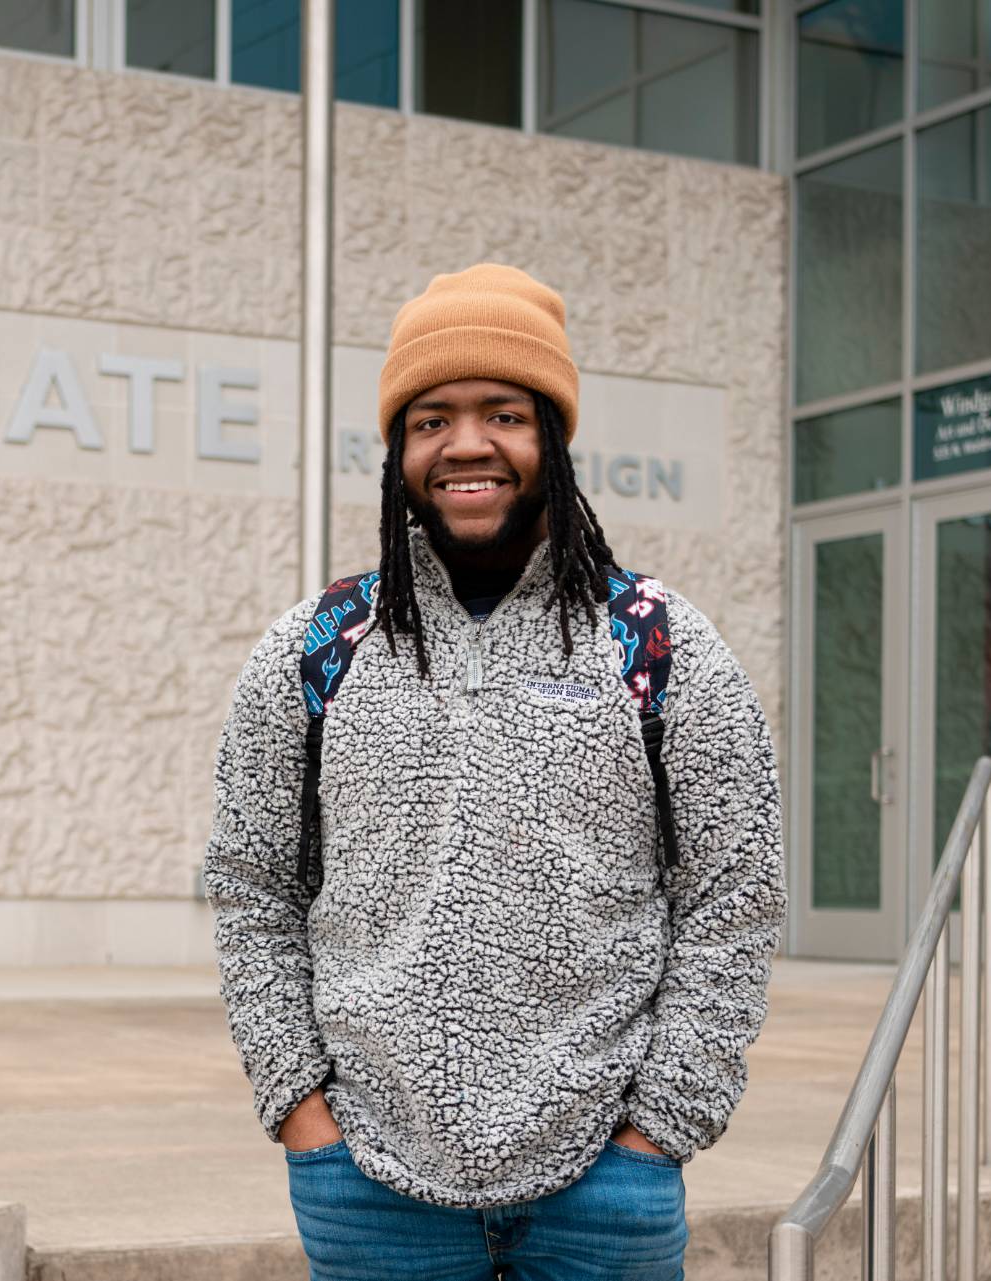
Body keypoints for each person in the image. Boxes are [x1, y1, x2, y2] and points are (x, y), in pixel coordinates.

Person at [202, 263, 786, 1280]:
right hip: (367, 1187)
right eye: (431, 418)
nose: (467, 443)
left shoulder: (657, 640)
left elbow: (736, 891)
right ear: (398, 449)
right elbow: (252, 883)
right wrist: (301, 1111)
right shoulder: (319, 645)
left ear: (552, 437)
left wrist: (660, 1132)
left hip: (608, 1186)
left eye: (504, 413)